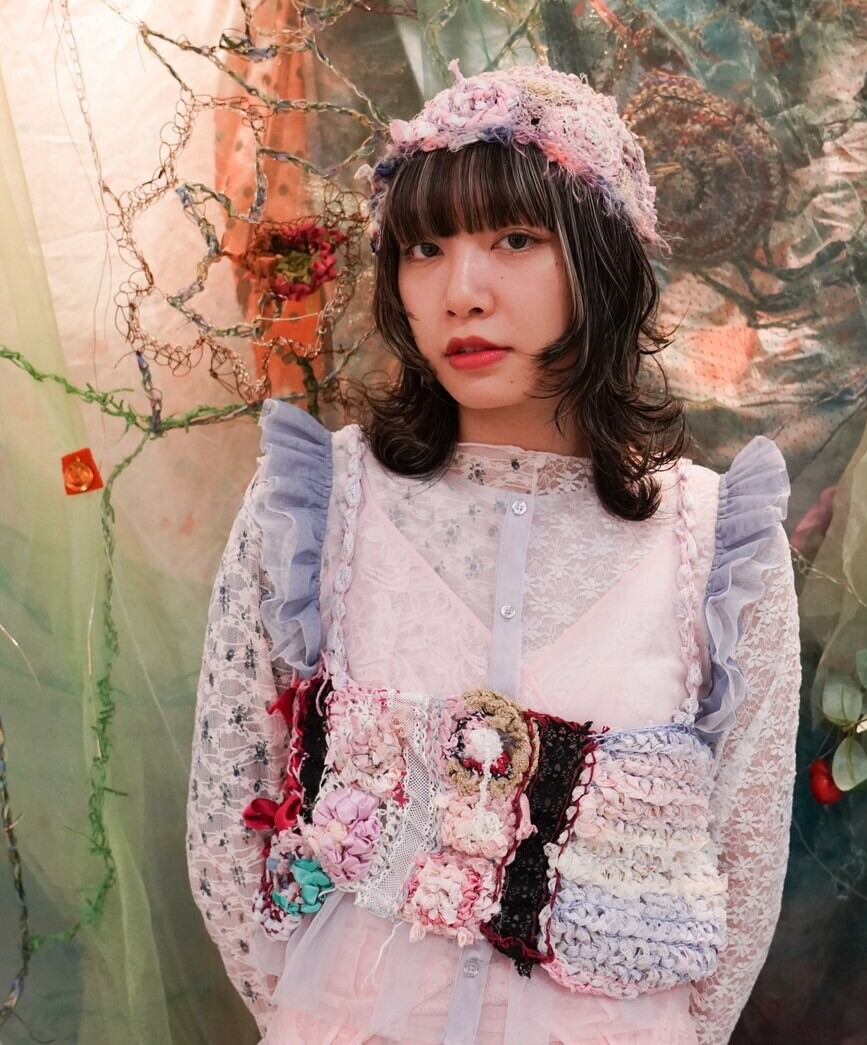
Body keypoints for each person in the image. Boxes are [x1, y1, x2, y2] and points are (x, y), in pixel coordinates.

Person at [186, 60, 802, 1045]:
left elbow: (744, 854)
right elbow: (228, 822)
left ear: (600, 260)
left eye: (514, 239)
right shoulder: (319, 509)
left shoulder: (712, 543)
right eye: (424, 249)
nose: (460, 293)